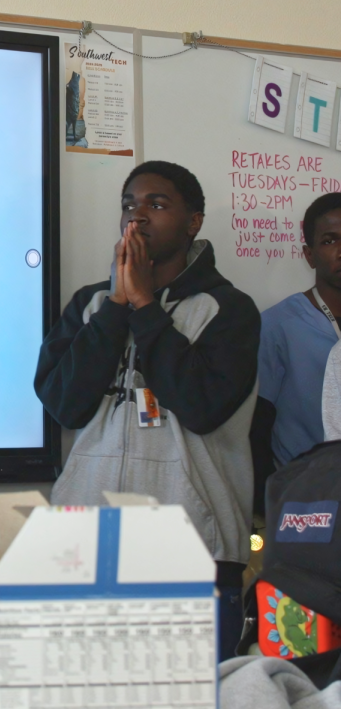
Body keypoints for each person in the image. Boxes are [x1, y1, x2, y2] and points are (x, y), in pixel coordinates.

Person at [35, 160, 260, 660]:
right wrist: (118, 307)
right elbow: (63, 404)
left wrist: (145, 307)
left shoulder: (229, 309)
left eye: (157, 205)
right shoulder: (91, 306)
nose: (137, 217)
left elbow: (201, 405)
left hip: (192, 550)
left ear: (193, 221)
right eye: (129, 205)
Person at [258, 193, 341, 466]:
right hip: (308, 494)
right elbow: (255, 426)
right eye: (329, 241)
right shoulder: (278, 326)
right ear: (310, 255)